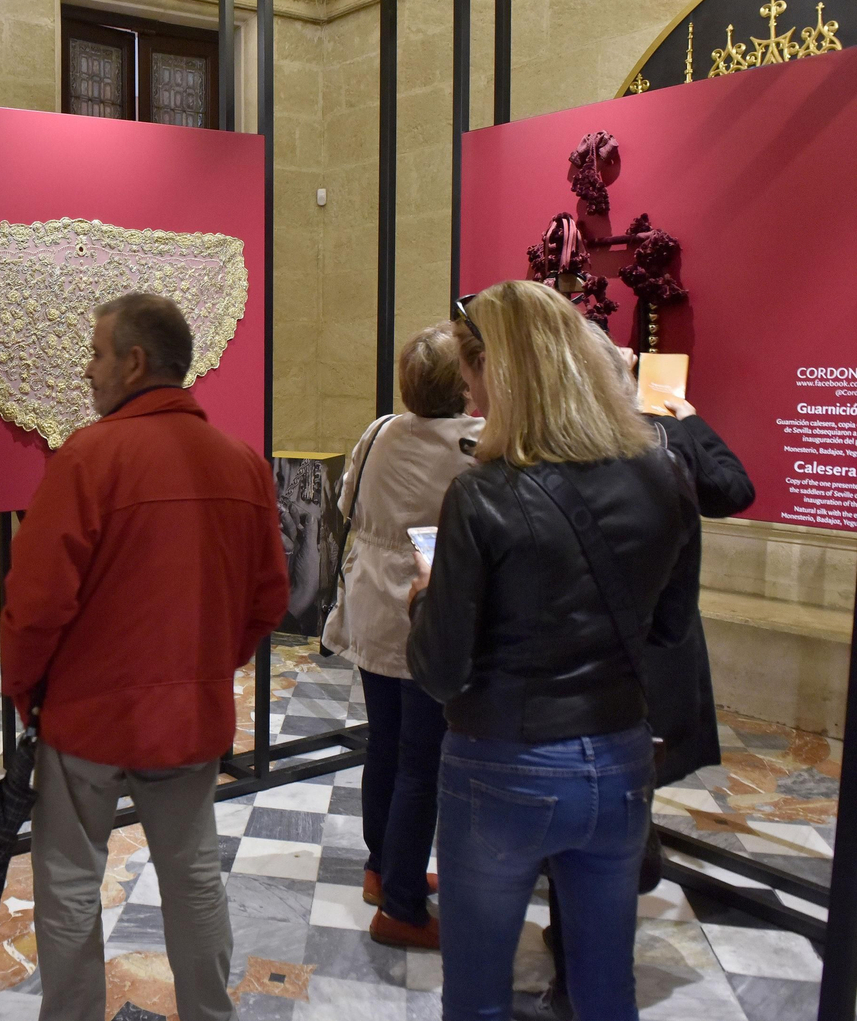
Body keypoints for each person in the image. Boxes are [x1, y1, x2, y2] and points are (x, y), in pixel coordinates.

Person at [407, 280, 698, 1021]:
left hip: (504, 763)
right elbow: (669, 630)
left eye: (473, 374)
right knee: (605, 991)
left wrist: (425, 598)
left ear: (502, 371)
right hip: (620, 759)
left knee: (477, 995)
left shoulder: (485, 494)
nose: (469, 394)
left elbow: (440, 671)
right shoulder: (665, 473)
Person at [1, 292, 289, 1021]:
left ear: (134, 362)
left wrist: (25, 690)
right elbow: (268, 598)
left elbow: (35, 602)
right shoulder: (243, 464)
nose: (87, 368)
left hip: (87, 715)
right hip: (187, 716)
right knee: (193, 875)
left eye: (97, 352)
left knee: (70, 883)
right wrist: (205, 667)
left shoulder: (89, 457)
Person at [516, 343, 755, 1021]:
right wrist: (683, 419)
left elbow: (733, 493)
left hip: (611, 656)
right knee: (612, 809)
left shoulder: (596, 449)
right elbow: (732, 489)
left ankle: (581, 956)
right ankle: (586, 958)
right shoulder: (656, 444)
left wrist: (679, 418)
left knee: (604, 812)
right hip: (640, 651)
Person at [322, 323, 480, 950]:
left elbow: (344, 501)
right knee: (422, 759)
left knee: (384, 743)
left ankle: (382, 868)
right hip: (427, 606)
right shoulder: (477, 441)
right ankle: (404, 906)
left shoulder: (380, 430)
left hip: (369, 601)